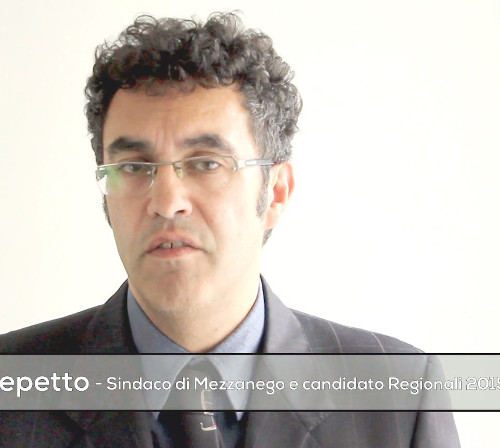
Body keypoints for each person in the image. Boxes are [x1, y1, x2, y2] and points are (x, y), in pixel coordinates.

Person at [0, 12, 460, 447]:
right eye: (135, 167)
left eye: (206, 163)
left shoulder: (400, 398)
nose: (166, 202)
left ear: (275, 192)